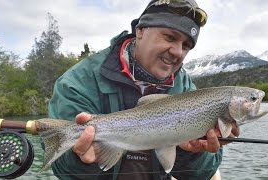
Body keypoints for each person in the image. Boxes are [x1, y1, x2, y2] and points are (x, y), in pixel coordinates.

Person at [48, 0, 240, 179]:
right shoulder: (78, 82)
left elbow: (202, 175)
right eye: (170, 37)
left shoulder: (186, 88)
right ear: (140, 31)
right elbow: (63, 171)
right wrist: (79, 161)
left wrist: (189, 153)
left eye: (186, 45)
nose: (177, 51)